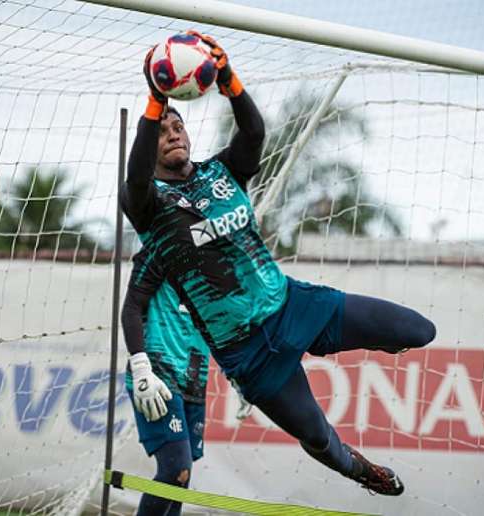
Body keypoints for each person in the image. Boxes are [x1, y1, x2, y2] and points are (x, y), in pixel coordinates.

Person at [121, 31, 436, 498]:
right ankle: (360, 470)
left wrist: (228, 79)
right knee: (317, 436)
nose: (172, 132)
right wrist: (155, 99)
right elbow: (135, 176)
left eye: (178, 125)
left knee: (417, 331)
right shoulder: (147, 203)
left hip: (293, 306)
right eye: (163, 128)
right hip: (248, 354)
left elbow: (254, 133)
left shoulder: (221, 172)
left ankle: (355, 351)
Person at [122, 248, 210, 516]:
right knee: (176, 470)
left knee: (181, 480)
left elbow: (222, 325)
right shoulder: (162, 246)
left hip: (196, 377)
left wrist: (241, 377)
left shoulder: (220, 259)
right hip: (157, 374)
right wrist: (140, 367)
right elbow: (132, 307)